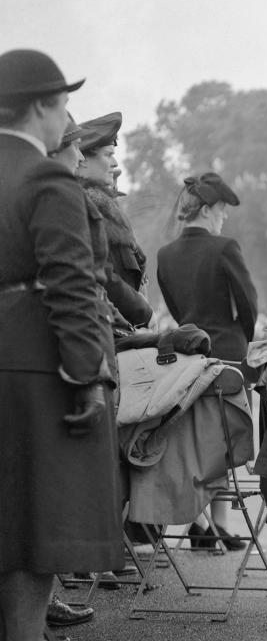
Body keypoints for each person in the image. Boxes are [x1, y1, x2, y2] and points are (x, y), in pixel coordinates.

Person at [0, 48, 123, 641]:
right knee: (36, 535)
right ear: (43, 106)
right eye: (63, 104)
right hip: (35, 371)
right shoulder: (46, 175)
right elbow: (72, 285)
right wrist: (87, 375)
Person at [156, 172, 258, 551]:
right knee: (227, 441)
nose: (224, 218)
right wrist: (241, 338)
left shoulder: (165, 255)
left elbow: (176, 308)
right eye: (221, 211)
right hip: (228, 355)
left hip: (188, 356)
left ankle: (205, 524)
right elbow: (248, 303)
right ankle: (217, 522)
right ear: (207, 210)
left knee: (194, 441)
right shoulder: (225, 247)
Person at [76, 111, 155, 331]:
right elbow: (103, 274)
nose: (114, 163)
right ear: (82, 161)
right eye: (108, 154)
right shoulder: (81, 208)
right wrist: (143, 311)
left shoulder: (104, 209)